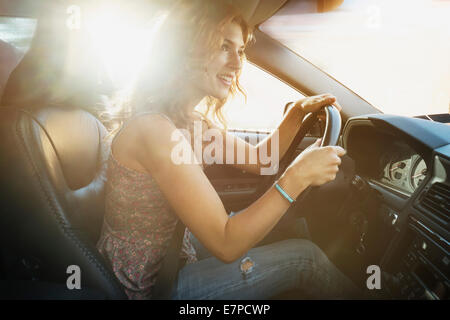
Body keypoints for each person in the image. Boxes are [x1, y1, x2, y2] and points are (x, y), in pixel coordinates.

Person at [96, 0, 361, 300]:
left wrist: (297, 113)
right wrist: (297, 177)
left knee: (292, 228)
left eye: (240, 50)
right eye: (224, 46)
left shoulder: (192, 123)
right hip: (149, 287)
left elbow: (263, 159)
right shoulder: (154, 131)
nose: (237, 64)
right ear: (185, 50)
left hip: (173, 254)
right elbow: (226, 243)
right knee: (307, 261)